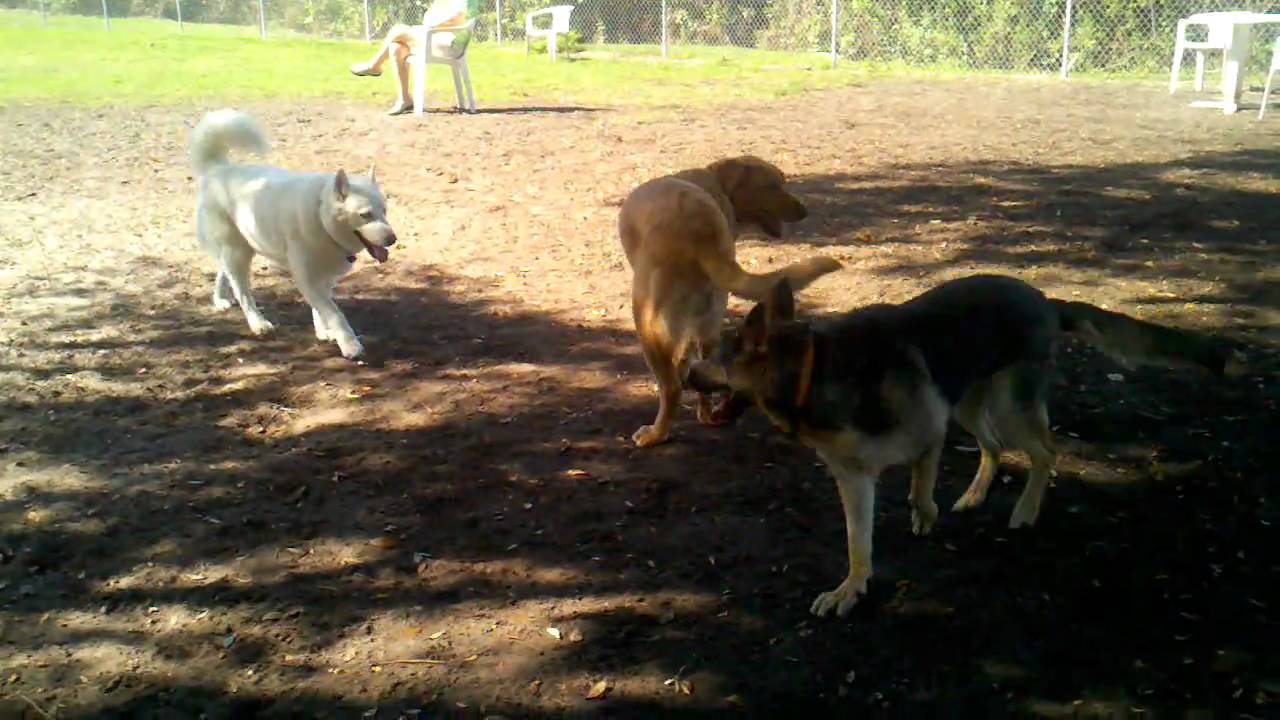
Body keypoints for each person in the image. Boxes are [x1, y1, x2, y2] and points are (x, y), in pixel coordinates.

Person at [349, 0, 477, 115]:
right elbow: (430, 18)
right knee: (396, 47)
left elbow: (457, 18)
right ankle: (404, 99)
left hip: (446, 41)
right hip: (432, 36)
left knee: (398, 30)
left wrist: (432, 27)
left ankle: (374, 66)